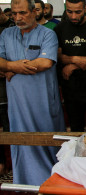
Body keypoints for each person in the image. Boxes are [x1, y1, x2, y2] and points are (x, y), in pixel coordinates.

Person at [0, 0, 65, 185]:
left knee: (47, 140)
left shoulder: (48, 34)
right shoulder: (6, 34)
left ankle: (51, 181)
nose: (18, 18)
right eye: (14, 14)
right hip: (17, 102)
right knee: (21, 140)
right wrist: (12, 65)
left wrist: (11, 67)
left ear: (34, 12)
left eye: (22, 13)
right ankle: (25, 181)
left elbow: (45, 63)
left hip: (43, 100)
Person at [55, 0, 86, 131]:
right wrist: (75, 59)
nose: (73, 16)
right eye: (69, 11)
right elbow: (57, 56)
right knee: (76, 129)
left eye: (78, 12)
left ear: (85, 9)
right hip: (71, 88)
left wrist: (73, 65)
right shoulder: (59, 28)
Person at [0, 6, 14, 177]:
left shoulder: (13, 30)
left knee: (13, 132)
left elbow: (17, 61)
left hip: (10, 90)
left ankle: (13, 166)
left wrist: (7, 66)